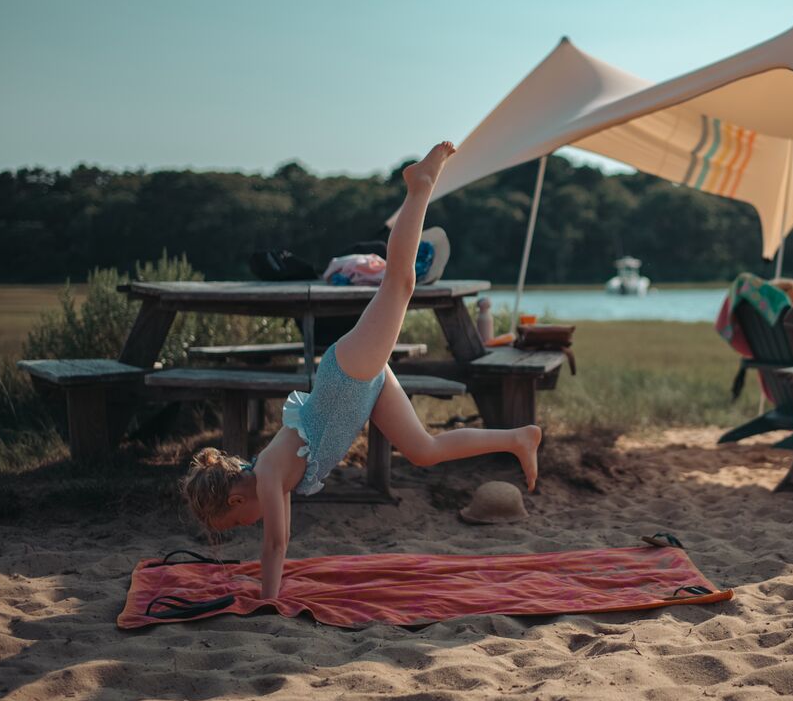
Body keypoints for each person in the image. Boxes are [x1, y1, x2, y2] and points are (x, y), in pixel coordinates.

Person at [180, 142, 541, 599]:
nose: (244, 527)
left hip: (347, 373)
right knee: (424, 450)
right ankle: (518, 438)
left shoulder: (269, 476)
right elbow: (279, 538)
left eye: (234, 524)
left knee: (400, 282)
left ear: (236, 500)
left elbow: (275, 544)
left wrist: (266, 602)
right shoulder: (269, 478)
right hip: (361, 389)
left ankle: (419, 187)